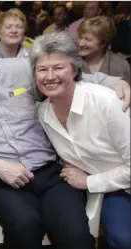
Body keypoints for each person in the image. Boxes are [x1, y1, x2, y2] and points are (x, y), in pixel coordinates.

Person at [0, 18, 130, 249]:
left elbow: (69, 78)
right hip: (2, 179)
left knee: (75, 234)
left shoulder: (19, 68)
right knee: (24, 227)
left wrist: (118, 82)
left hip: (50, 172)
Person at [31, 32, 131, 249]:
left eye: (58, 67)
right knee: (123, 239)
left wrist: (88, 182)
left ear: (75, 70)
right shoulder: (44, 114)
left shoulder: (107, 103)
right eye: (42, 69)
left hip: (117, 182)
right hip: (113, 189)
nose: (49, 76)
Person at [78, 16, 131, 83]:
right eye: (80, 37)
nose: (80, 43)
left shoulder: (120, 65)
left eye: (87, 39)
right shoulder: (71, 60)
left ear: (103, 43)